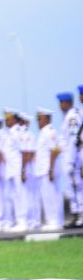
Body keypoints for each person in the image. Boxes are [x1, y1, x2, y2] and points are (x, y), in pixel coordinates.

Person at [27, 109, 59, 231]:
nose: (38, 122)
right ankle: (51, 220)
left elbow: (54, 151)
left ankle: (54, 221)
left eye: (40, 119)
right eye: (37, 119)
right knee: (46, 197)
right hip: (42, 170)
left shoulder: (50, 132)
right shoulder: (42, 133)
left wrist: (51, 169)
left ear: (47, 119)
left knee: (51, 196)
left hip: (47, 170)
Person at [59, 91, 83, 227]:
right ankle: (76, 215)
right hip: (70, 157)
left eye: (62, 103)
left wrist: (71, 161)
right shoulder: (69, 116)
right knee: (72, 187)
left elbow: (74, 139)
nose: (60, 106)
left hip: (73, 157)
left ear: (68, 102)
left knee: (77, 186)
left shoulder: (72, 117)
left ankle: (80, 215)